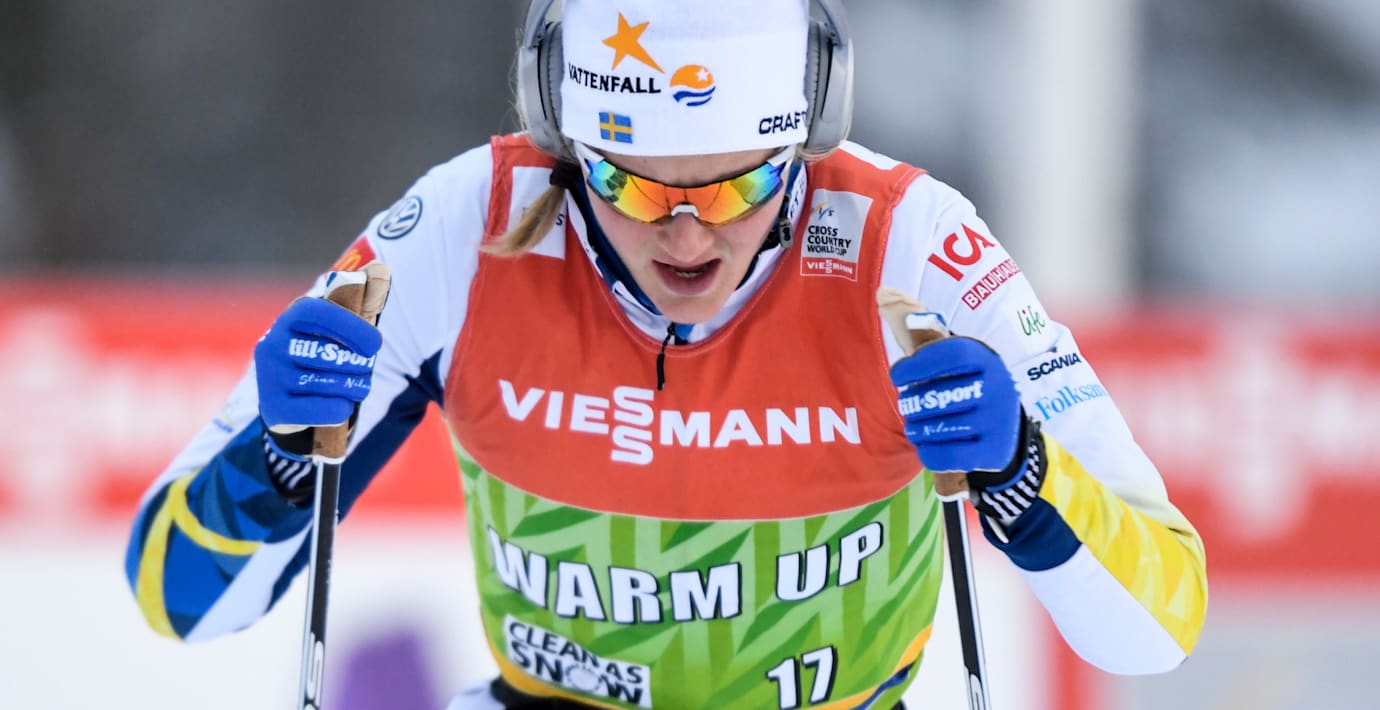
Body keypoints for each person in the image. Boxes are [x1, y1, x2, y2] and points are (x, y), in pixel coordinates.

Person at [125, 1, 1208, 708]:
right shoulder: (465, 230)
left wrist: (1022, 471)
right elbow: (177, 597)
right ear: (564, 143)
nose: (687, 237)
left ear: (805, 136)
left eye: (738, 185)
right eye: (630, 185)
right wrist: (277, 459)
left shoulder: (911, 246)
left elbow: (1158, 626)